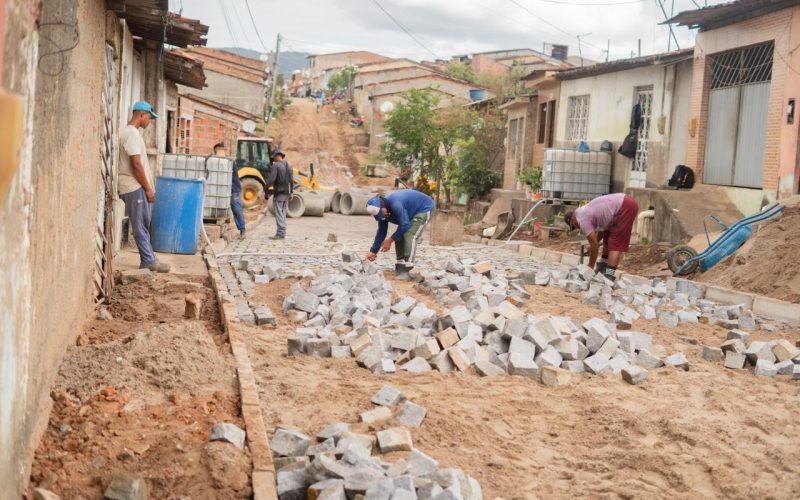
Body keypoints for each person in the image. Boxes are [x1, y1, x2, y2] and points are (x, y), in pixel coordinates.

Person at [118, 101, 169, 273]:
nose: (149, 121)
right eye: (149, 117)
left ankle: (150, 258)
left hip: (136, 185)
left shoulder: (132, 133)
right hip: (133, 186)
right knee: (140, 224)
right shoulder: (131, 134)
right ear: (141, 115)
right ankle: (148, 260)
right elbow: (137, 165)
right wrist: (148, 188)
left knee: (144, 223)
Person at [563, 193, 639, 282]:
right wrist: (594, 244)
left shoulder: (581, 219)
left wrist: (590, 267)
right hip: (623, 203)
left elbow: (594, 244)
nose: (577, 227)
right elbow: (601, 232)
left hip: (625, 206)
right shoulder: (583, 211)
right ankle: (603, 266)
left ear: (572, 220)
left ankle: (609, 276)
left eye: (574, 226)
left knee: (614, 242)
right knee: (607, 236)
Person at [365, 189, 435, 278]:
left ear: (382, 206)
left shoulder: (395, 204)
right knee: (399, 234)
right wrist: (373, 251)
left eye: (380, 214)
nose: (381, 216)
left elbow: (405, 225)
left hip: (424, 208)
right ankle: (401, 265)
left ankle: (409, 268)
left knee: (410, 234)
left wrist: (389, 240)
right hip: (409, 212)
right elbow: (381, 231)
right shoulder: (383, 211)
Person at [215, 142, 246, 239]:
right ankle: (225, 226)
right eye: (217, 151)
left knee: (236, 209)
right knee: (220, 207)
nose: (219, 152)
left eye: (221, 150)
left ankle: (242, 230)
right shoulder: (215, 161)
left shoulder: (230, 162)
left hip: (233, 189)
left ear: (224, 151)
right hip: (221, 189)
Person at [265, 149, 293, 240]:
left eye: (273, 157)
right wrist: (291, 192)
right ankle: (282, 232)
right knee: (283, 213)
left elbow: (271, 180)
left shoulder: (276, 166)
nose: (273, 159)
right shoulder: (289, 165)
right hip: (286, 193)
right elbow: (291, 180)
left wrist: (265, 188)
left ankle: (280, 232)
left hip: (279, 193)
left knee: (278, 213)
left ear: (277, 156)